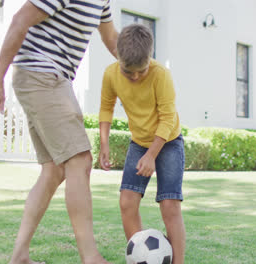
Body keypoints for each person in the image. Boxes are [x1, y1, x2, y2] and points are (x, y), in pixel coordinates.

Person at [0, 1, 118, 263]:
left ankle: (20, 256)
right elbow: (19, 20)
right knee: (79, 160)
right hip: (41, 73)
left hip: (54, 78)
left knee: (53, 170)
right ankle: (91, 257)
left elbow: (112, 38)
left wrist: (143, 66)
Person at [98, 24, 186, 264]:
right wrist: (103, 144)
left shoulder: (161, 74)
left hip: (168, 142)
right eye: (129, 72)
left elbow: (168, 118)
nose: (135, 77)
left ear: (151, 57)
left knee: (169, 205)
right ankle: (141, 259)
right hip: (139, 142)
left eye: (141, 70)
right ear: (118, 57)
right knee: (127, 203)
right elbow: (106, 108)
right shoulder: (110, 74)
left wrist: (151, 155)